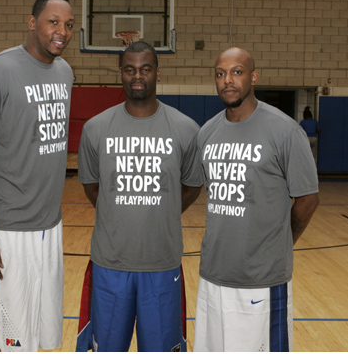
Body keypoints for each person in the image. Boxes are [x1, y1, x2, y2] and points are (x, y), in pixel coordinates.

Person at [0, 0, 74, 352]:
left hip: (50, 230)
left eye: (69, 25)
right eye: (53, 22)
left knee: (40, 338)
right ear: (31, 23)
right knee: (3, 342)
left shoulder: (65, 72)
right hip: (5, 233)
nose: (62, 31)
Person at [75, 41, 203, 352]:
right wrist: (116, 211)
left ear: (157, 72)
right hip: (109, 265)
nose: (137, 76)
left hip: (161, 264)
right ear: (121, 73)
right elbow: (93, 188)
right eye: (130, 69)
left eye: (145, 69)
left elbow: (193, 185)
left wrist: (164, 210)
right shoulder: (96, 129)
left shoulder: (186, 129)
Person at [194, 47, 320, 352]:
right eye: (220, 73)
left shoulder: (284, 131)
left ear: (253, 77)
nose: (228, 81)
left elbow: (307, 198)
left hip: (262, 279)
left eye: (236, 72)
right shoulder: (208, 133)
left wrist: (280, 243)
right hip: (213, 274)